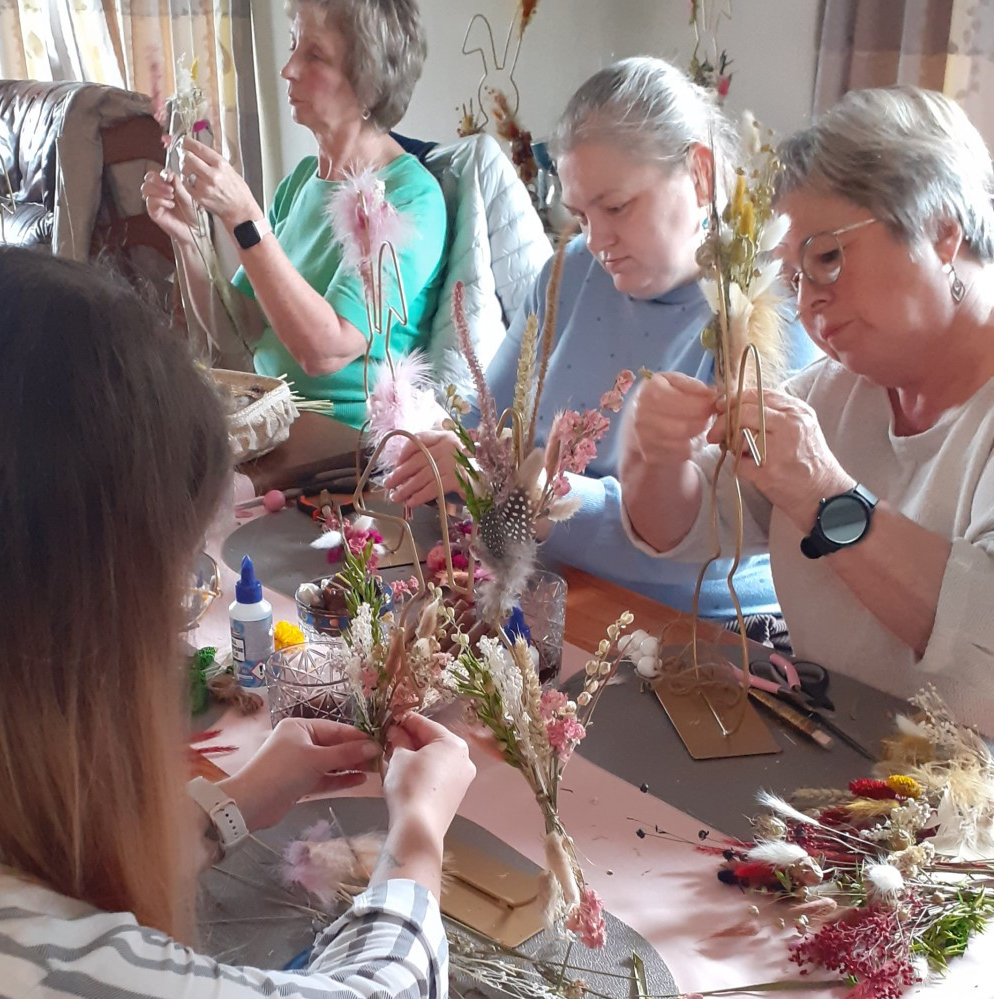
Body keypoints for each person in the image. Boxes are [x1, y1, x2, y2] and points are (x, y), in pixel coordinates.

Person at [0, 246, 475, 999]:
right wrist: (419, 835)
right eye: (171, 590)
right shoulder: (52, 990)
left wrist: (232, 804)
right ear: (77, 618)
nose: (176, 639)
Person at [385, 57, 816, 621]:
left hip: (693, 628)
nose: (599, 239)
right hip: (546, 591)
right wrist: (456, 453)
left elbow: (713, 534)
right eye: (582, 215)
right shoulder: (571, 271)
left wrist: (531, 488)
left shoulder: (769, 309)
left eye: (616, 207)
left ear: (701, 175)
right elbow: (486, 428)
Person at [620, 86, 994, 731]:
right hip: (843, 762)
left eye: (827, 257)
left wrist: (827, 496)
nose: (809, 302)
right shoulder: (834, 390)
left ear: (940, 230)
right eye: (791, 278)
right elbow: (678, 532)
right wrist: (656, 453)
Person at [142, 0, 447, 428]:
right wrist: (190, 237)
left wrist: (244, 218)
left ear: (369, 85)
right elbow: (239, 328)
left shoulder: (411, 198)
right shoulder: (302, 181)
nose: (287, 69)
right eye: (292, 46)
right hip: (270, 418)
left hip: (347, 449)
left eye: (314, 55)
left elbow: (324, 350)